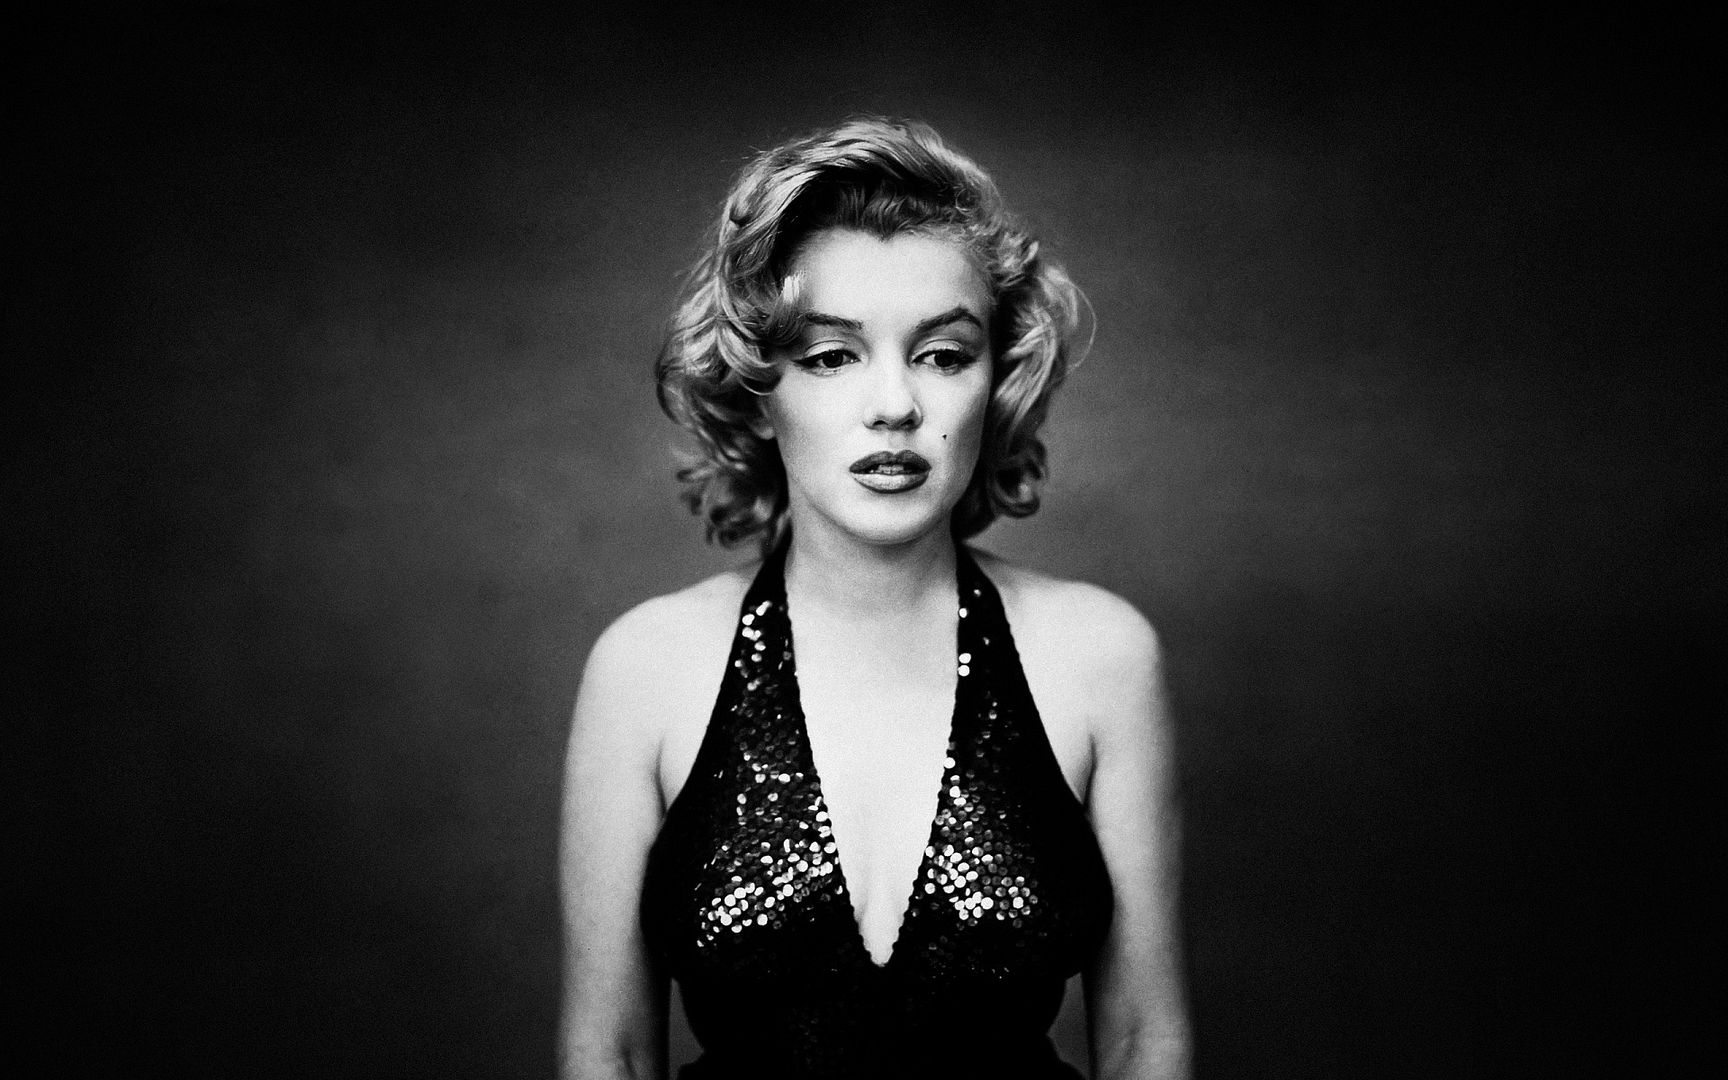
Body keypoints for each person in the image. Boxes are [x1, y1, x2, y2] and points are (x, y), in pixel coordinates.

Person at [559, 117, 1189, 1080]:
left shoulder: (1102, 657)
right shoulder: (645, 669)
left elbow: (1147, 1041)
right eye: (831, 356)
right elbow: (609, 1051)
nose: (894, 405)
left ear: (997, 381)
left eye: (943, 354)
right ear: (759, 387)